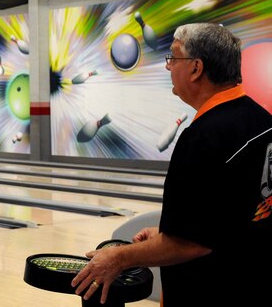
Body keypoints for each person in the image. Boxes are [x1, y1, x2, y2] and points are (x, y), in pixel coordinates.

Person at [71, 23, 272, 306]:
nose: (168, 67)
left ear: (195, 68)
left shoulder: (204, 138)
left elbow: (192, 243)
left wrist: (118, 258)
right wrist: (167, 233)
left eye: (173, 58)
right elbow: (230, 217)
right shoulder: (261, 120)